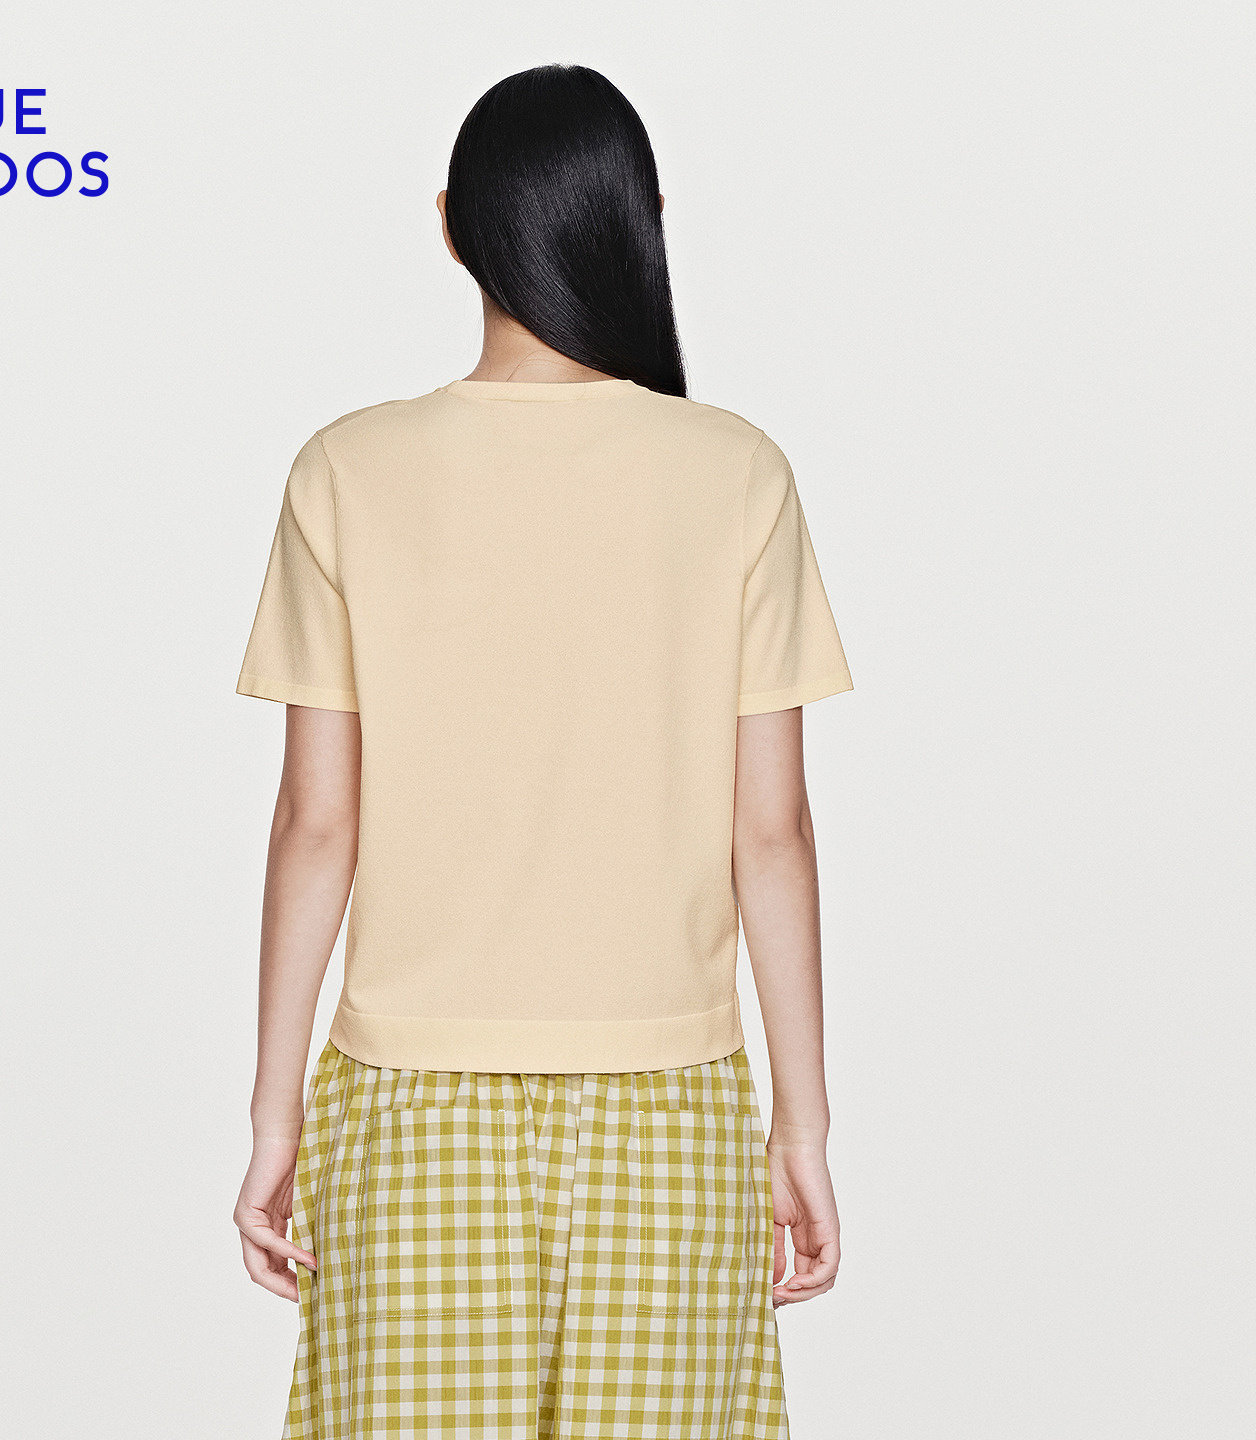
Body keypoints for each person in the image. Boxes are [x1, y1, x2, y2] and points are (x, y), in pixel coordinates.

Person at [233, 63, 852, 1440]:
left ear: (454, 227)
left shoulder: (346, 469)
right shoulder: (737, 472)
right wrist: (801, 1128)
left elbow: (316, 825)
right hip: (669, 1107)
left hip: (408, 1107)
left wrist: (275, 1124)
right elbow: (771, 833)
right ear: (642, 223)